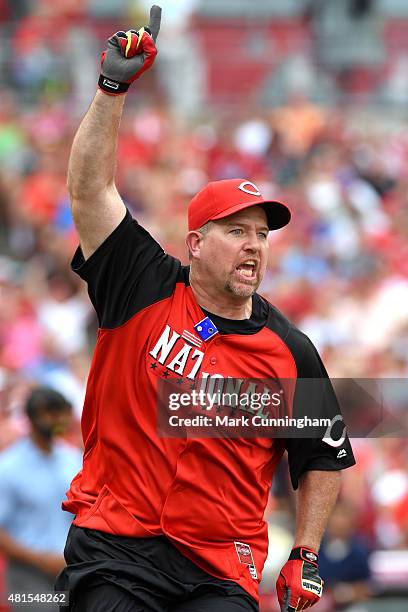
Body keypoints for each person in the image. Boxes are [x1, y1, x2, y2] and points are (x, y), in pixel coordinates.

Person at [56, 6, 356, 611]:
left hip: (221, 568)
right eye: (237, 231)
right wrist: (112, 90)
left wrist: (306, 552)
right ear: (195, 244)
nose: (254, 246)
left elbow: (323, 454)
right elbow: (90, 190)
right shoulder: (140, 282)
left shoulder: (291, 350)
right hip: (117, 550)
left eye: (262, 235)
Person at [0, 387, 82, 611]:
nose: (58, 420)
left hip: (70, 572)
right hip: (27, 577)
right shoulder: (8, 467)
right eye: (50, 413)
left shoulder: (72, 459)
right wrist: (40, 559)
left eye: (62, 413)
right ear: (32, 416)